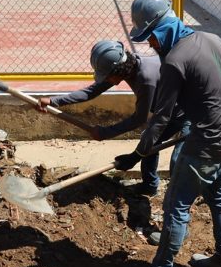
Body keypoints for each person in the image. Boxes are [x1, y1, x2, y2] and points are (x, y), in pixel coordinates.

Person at [111, 0, 221, 267]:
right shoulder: (213, 39)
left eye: (151, 38)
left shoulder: (174, 61)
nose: (151, 45)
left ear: (162, 29)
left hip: (206, 144)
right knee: (218, 196)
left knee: (176, 206)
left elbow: (160, 119)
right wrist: (216, 113)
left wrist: (136, 154)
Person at [38, 39, 162, 196]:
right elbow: (91, 92)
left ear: (117, 71)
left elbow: (139, 119)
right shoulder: (127, 66)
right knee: (150, 140)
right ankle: (150, 186)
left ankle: (174, 197)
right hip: (164, 106)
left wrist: (106, 133)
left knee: (170, 150)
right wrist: (53, 101)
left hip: (184, 109)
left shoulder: (146, 79)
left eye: (106, 76)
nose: (105, 80)